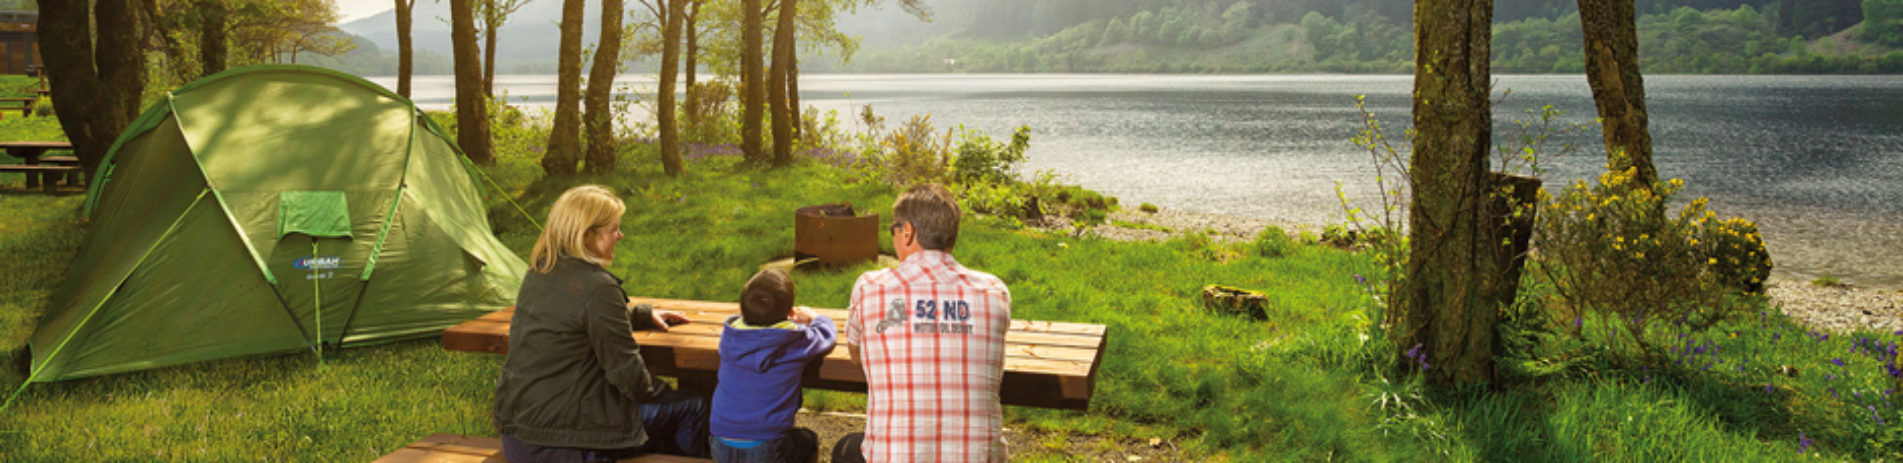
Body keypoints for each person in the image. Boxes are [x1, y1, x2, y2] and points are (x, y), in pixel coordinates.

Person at [493, 185, 709, 462]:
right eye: (613, 229)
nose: (620, 235)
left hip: (519, 434)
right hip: (566, 444)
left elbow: (570, 318)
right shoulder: (598, 288)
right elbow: (630, 377)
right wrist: (661, 392)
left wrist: (639, 315)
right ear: (585, 237)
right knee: (690, 405)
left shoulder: (540, 270)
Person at [834, 184, 1012, 463]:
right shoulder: (993, 291)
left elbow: (856, 355)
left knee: (846, 450)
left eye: (893, 230)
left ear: (907, 232)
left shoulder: (870, 287)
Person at [709, 268, 837, 463]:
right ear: (791, 312)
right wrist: (815, 317)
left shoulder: (730, 337)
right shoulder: (794, 340)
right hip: (766, 444)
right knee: (807, 440)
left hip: (719, 440)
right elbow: (827, 334)